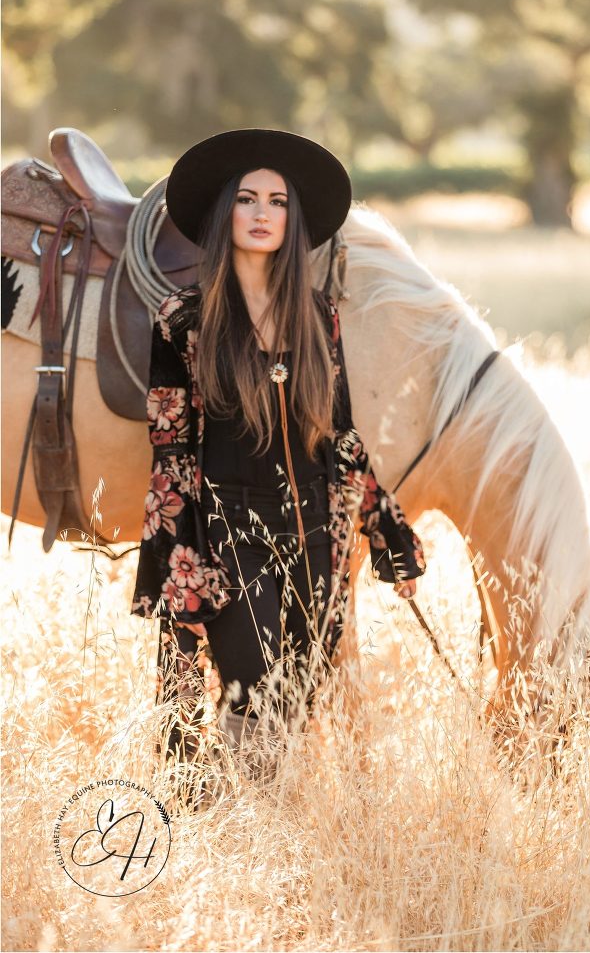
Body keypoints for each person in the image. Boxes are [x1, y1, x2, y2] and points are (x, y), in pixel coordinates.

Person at [130, 128, 426, 759]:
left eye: (278, 201)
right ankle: (235, 828)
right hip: (230, 532)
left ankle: (268, 829)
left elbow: (341, 434)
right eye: (247, 198)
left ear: (293, 220)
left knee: (298, 690)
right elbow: (171, 451)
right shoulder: (184, 318)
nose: (262, 213)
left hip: (316, 531)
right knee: (250, 686)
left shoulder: (319, 316)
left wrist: (387, 532)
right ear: (224, 213)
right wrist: (181, 562)